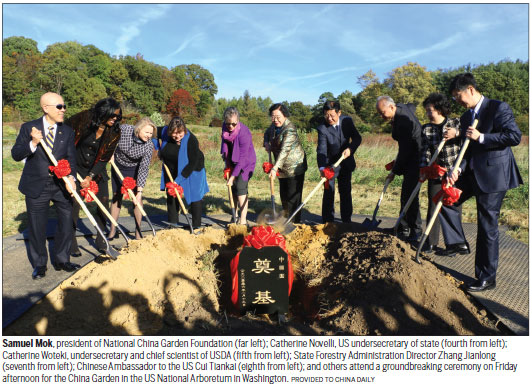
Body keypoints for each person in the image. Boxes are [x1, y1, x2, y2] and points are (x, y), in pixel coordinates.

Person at [447, 73, 522, 292]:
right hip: (472, 172)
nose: (457, 101)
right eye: (454, 97)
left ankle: (487, 277)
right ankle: (458, 243)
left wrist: (482, 137)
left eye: (458, 96)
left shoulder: (498, 108)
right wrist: (457, 169)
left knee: (487, 225)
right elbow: (466, 151)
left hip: (495, 174)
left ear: (470, 89)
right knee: (447, 199)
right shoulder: (465, 117)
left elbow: (513, 136)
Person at [11, 92, 80, 279]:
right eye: (59, 106)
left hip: (61, 184)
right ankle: (40, 264)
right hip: (36, 184)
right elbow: (16, 154)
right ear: (45, 108)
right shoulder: (28, 128)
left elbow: (71, 159)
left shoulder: (67, 130)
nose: (63, 109)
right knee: (36, 226)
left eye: (64, 106)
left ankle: (62, 259)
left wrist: (72, 178)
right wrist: (33, 142)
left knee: (66, 222)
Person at [67, 97, 122, 255]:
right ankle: (71, 240)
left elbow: (105, 158)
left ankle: (101, 240)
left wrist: (91, 176)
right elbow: (64, 131)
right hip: (75, 166)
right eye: (113, 116)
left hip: (96, 169)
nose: (115, 119)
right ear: (103, 113)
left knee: (103, 202)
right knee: (75, 203)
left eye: (118, 116)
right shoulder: (83, 119)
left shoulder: (114, 132)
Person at [420, 93, 469, 256]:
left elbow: (467, 136)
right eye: (426, 110)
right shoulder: (426, 129)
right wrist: (425, 168)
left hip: (454, 173)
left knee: (452, 206)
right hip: (436, 171)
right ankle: (430, 242)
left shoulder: (455, 123)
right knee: (433, 206)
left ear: (440, 110)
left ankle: (453, 244)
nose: (428, 114)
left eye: (430, 110)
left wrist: (456, 133)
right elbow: (425, 150)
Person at [376, 95, 423, 242]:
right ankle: (403, 227)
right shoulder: (400, 109)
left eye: (382, 112)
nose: (381, 116)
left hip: (416, 158)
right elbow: (410, 105)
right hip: (410, 156)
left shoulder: (402, 121)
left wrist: (394, 171)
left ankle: (416, 230)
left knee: (411, 195)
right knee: (405, 193)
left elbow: (405, 149)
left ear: (391, 107)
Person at [154, 116, 209, 229]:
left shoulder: (192, 140)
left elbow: (191, 164)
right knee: (172, 194)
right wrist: (157, 148)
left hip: (193, 169)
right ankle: (173, 223)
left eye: (180, 134)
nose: (177, 137)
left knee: (195, 195)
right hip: (172, 167)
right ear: (169, 131)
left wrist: (178, 181)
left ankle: (196, 226)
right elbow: (152, 132)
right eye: (174, 134)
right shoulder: (164, 131)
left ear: (184, 130)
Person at [108, 117, 155, 240]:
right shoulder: (125, 130)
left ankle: (138, 231)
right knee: (117, 195)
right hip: (117, 164)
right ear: (138, 129)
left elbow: (144, 168)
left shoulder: (149, 146)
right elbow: (110, 137)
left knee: (137, 199)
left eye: (151, 133)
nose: (149, 135)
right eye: (147, 132)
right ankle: (113, 229)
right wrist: (110, 152)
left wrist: (139, 191)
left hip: (134, 169)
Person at [316, 100, 361, 223]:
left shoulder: (347, 121)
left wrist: (351, 149)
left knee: (345, 191)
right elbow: (321, 150)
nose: (329, 118)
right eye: (326, 115)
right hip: (330, 165)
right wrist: (322, 169)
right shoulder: (322, 128)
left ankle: (346, 221)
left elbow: (357, 138)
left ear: (339, 113)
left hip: (346, 162)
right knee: (328, 192)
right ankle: (328, 221)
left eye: (332, 115)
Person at [263, 103, 307, 223]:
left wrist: (275, 168)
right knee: (284, 196)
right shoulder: (273, 126)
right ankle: (286, 220)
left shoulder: (290, 129)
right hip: (281, 168)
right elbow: (267, 133)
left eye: (278, 117)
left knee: (293, 198)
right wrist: (266, 142)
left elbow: (284, 150)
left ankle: (295, 223)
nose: (275, 120)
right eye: (273, 116)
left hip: (294, 167)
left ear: (285, 116)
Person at [220, 107, 256, 226]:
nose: (230, 126)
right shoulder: (224, 127)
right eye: (228, 123)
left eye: (234, 124)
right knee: (233, 190)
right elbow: (225, 144)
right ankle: (234, 216)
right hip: (231, 161)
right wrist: (226, 162)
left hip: (245, 164)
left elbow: (242, 158)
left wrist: (233, 177)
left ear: (238, 121)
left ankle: (243, 220)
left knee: (240, 189)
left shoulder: (244, 133)